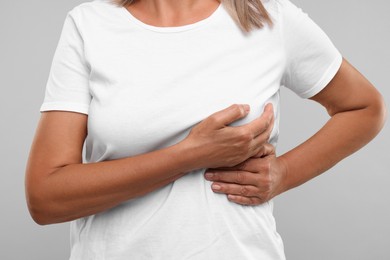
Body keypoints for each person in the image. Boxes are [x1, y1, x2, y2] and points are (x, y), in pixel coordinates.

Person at [25, 0, 386, 259]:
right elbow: (45, 198)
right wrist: (190, 155)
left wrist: (284, 173)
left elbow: (365, 108)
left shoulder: (272, 18)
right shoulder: (89, 25)